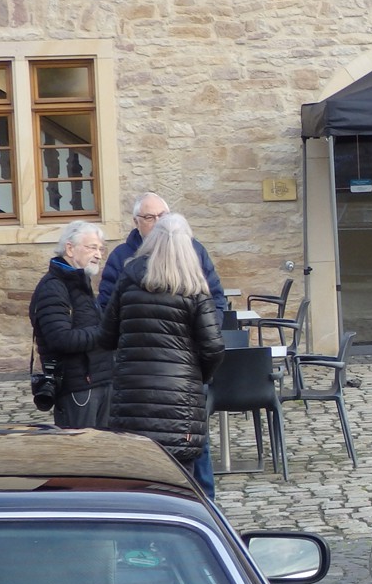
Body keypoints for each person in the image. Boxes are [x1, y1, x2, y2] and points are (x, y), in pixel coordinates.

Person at [99, 213, 226, 498]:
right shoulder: (193, 286)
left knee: (137, 487)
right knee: (181, 488)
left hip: (132, 398)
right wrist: (197, 376)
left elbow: (106, 335)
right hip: (179, 403)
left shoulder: (128, 278)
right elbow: (213, 347)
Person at [27, 221, 113, 428]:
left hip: (99, 382)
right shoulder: (53, 287)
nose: (98, 255)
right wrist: (105, 333)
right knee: (80, 448)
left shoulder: (80, 281)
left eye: (101, 249)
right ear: (70, 248)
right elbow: (61, 338)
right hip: (77, 387)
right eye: (92, 247)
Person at [98, 191, 228, 314]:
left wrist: (210, 327)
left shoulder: (194, 250)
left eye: (162, 215)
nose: (158, 222)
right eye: (149, 217)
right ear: (136, 222)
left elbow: (215, 298)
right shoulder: (120, 256)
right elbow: (107, 305)